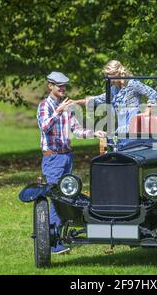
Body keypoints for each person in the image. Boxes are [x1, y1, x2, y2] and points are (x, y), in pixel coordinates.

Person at [37, 71, 106, 254]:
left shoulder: (66, 107)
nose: (62, 88)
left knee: (66, 197)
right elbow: (45, 127)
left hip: (67, 157)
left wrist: (94, 133)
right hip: (53, 157)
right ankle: (52, 243)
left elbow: (76, 130)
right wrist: (58, 112)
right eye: (58, 85)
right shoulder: (45, 106)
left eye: (64, 85)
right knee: (56, 198)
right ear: (49, 86)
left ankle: (59, 238)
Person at [77, 60, 157, 134]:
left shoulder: (132, 83)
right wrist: (75, 102)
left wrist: (147, 112)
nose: (109, 82)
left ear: (117, 74)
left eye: (110, 78)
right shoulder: (114, 90)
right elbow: (97, 99)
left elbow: (153, 94)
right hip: (122, 130)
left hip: (134, 129)